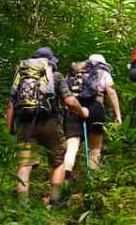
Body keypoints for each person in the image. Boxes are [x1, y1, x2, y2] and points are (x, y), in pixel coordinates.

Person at [6, 47, 89, 208]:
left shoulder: (21, 77)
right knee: (58, 162)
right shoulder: (55, 76)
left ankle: (22, 205)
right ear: (51, 62)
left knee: (25, 164)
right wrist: (82, 112)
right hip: (49, 123)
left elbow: (10, 106)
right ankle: (55, 201)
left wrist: (9, 130)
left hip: (25, 123)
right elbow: (70, 101)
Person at [63, 54, 122, 180]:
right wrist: (118, 114)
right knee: (95, 147)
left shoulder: (75, 73)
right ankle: (93, 179)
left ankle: (66, 177)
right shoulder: (103, 72)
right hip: (95, 108)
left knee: (72, 145)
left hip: (73, 107)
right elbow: (111, 91)